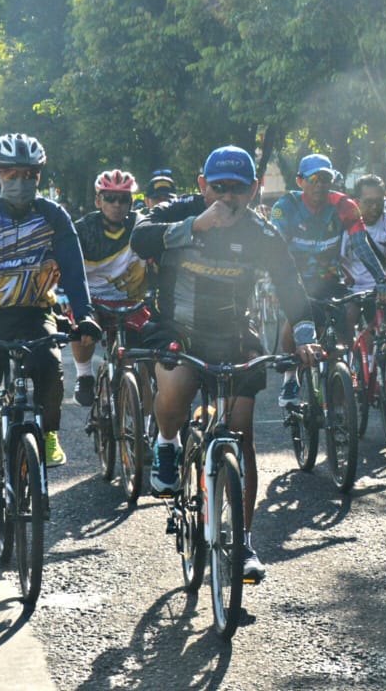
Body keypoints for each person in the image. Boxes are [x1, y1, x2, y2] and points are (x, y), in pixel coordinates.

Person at [130, 145, 320, 582]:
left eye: (238, 189)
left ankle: (244, 541)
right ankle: (166, 443)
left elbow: (291, 287)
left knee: (242, 432)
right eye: (218, 188)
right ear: (202, 185)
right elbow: (139, 238)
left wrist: (307, 339)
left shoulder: (262, 233)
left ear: (254, 190)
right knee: (175, 387)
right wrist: (195, 225)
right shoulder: (182, 212)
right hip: (177, 329)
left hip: (234, 334)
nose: (227, 198)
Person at [0, 133, 100, 545]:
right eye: (12, 173)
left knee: (48, 365)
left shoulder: (54, 216)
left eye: (30, 174)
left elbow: (75, 274)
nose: (21, 181)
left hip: (32, 313)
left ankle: (46, 435)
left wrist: (86, 316)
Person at [269, 153, 386, 406]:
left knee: (343, 326)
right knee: (297, 315)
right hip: (295, 279)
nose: (321, 185)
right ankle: (291, 378)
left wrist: (381, 279)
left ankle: (342, 383)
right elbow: (275, 250)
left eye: (326, 179)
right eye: (314, 179)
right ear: (300, 181)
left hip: (330, 279)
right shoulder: (286, 207)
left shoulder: (345, 206)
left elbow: (361, 245)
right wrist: (274, 283)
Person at [70, 169, 150, 407]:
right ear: (98, 201)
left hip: (131, 302)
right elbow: (67, 265)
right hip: (94, 300)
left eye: (124, 199)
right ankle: (84, 375)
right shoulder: (82, 229)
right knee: (81, 328)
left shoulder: (142, 225)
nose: (117, 204)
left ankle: (146, 429)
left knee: (143, 366)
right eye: (110, 198)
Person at [341, 174, 386, 343]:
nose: (374, 207)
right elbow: (337, 259)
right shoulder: (345, 224)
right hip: (354, 289)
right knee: (345, 325)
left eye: (378, 202)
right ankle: (345, 365)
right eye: (368, 202)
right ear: (356, 202)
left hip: (384, 287)